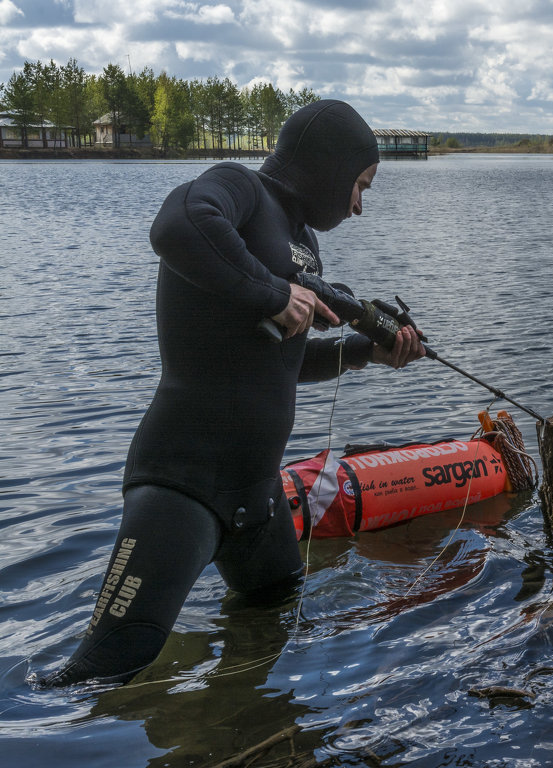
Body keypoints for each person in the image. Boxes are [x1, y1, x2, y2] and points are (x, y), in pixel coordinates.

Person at [41, 99, 424, 686]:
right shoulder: (237, 186)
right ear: (328, 166)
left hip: (258, 500)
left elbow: (281, 364)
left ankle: (234, 727)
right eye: (359, 185)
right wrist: (274, 295)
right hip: (182, 487)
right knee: (98, 674)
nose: (358, 205)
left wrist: (367, 352)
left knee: (271, 629)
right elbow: (175, 226)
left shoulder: (301, 242)